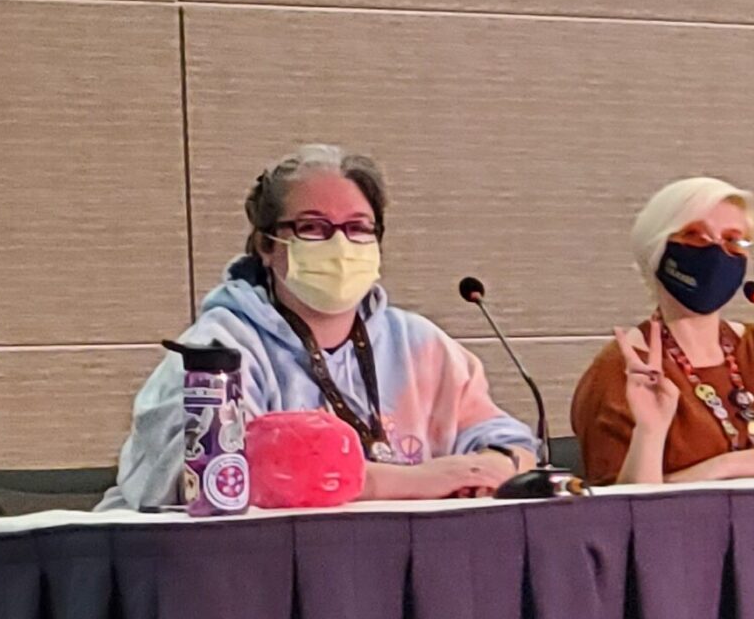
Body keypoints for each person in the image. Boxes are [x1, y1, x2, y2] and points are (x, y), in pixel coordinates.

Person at [105, 145, 537, 508]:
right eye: (312, 227)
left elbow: (508, 439)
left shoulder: (420, 344)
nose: (339, 244)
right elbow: (223, 477)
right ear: (266, 246)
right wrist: (421, 480)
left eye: (357, 228)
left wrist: (498, 464)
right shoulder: (216, 352)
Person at [571, 177, 754, 485]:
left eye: (734, 240)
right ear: (657, 247)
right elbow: (617, 510)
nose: (717, 254)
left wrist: (721, 468)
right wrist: (649, 434)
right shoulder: (624, 370)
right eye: (695, 236)